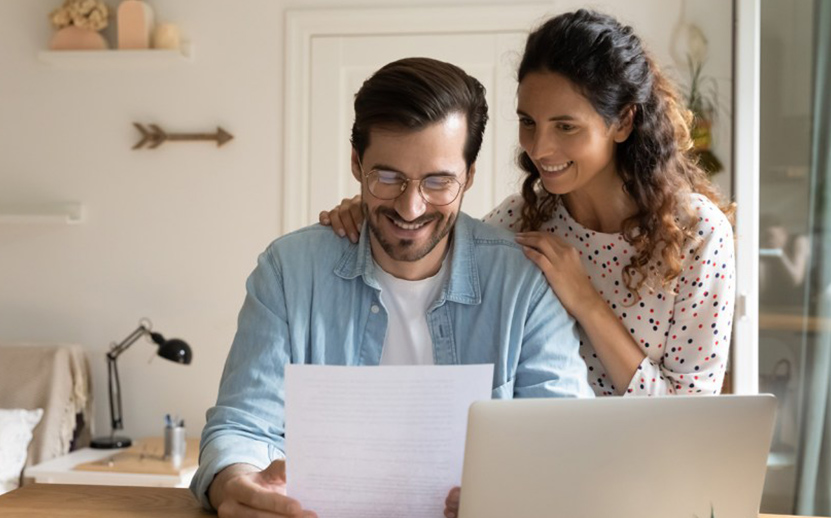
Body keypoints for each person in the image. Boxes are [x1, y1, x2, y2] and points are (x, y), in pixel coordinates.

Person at [191, 57, 592, 518]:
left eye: (439, 182)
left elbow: (563, 442)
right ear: (357, 164)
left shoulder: (524, 281)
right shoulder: (289, 271)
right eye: (387, 177)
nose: (410, 206)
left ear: (470, 176)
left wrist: (512, 494)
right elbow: (242, 426)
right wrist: (235, 484)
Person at [321, 9, 736, 401]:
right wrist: (377, 212)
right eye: (528, 122)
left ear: (623, 122)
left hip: (649, 471)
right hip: (540, 463)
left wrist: (586, 302)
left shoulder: (698, 236)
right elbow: (427, 246)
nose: (539, 147)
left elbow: (687, 415)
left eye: (566, 126)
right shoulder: (518, 222)